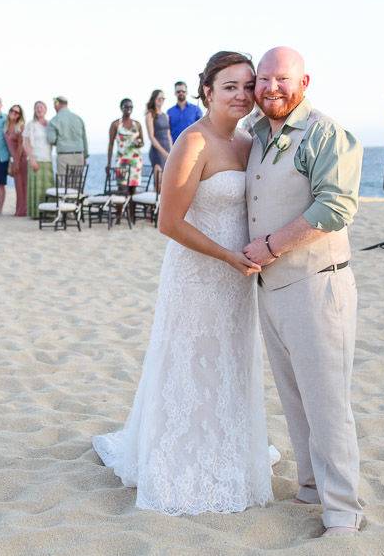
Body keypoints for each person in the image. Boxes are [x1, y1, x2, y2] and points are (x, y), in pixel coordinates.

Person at [93, 51, 273, 518]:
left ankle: (229, 448)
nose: (241, 94)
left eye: (247, 86)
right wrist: (227, 256)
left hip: (239, 276)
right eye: (229, 86)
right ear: (207, 92)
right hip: (198, 273)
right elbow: (168, 222)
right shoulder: (192, 143)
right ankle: (182, 454)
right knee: (192, 361)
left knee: (232, 360)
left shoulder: (250, 141)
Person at [243, 47, 364, 537]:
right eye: (264, 79)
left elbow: (336, 206)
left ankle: (343, 513)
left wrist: (270, 245)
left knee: (328, 402)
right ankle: (311, 486)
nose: (272, 87)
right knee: (294, 396)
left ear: (305, 81)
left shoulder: (324, 133)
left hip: (318, 285)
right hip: (272, 289)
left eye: (282, 79)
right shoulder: (256, 134)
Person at [22, 101, 53, 218]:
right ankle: (37, 214)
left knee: (48, 187)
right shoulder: (31, 124)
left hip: (48, 160)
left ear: (45, 109)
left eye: (41, 107)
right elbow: (25, 143)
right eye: (37, 108)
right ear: (35, 110)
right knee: (37, 188)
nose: (39, 109)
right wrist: (31, 158)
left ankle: (49, 213)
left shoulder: (50, 124)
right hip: (36, 159)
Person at [108, 98, 145, 190]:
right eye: (126, 106)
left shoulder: (137, 124)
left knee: (133, 191)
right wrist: (108, 163)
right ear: (121, 108)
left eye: (131, 107)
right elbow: (111, 144)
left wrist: (138, 143)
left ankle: (131, 205)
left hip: (135, 161)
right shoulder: (116, 124)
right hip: (121, 161)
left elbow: (142, 142)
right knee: (122, 189)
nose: (129, 109)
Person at [46, 96, 88, 175]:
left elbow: (51, 140)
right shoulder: (78, 119)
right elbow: (84, 139)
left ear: (57, 104)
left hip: (64, 156)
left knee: (63, 184)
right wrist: (85, 156)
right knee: (77, 183)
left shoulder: (54, 120)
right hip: (79, 156)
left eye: (54, 104)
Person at [5, 104, 29, 217]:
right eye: (12, 110)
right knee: (18, 185)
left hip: (22, 159)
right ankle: (19, 210)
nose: (14, 113)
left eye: (17, 112)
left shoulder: (21, 126)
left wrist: (17, 162)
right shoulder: (6, 126)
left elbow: (20, 145)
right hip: (14, 159)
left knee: (23, 185)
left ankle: (23, 211)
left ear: (20, 115)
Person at [145, 90, 172, 173]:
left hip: (167, 150)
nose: (161, 100)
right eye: (159, 98)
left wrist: (171, 151)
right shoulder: (150, 115)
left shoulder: (166, 116)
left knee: (167, 180)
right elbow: (151, 137)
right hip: (157, 151)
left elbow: (168, 135)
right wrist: (164, 153)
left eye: (163, 98)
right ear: (154, 99)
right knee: (158, 181)